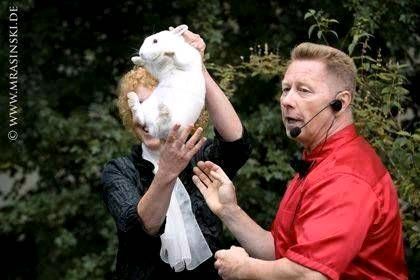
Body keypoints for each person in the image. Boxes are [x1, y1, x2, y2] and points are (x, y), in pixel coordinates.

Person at [192, 42, 408, 279]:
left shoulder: (345, 177)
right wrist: (229, 210)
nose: (287, 100)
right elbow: (280, 252)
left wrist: (245, 268)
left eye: (304, 90)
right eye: (286, 89)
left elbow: (310, 274)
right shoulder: (318, 159)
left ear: (341, 102)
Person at [101, 30, 251, 280]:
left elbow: (238, 145)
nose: (148, 117)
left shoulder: (199, 156)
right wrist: (167, 172)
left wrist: (197, 66)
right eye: (141, 105)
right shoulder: (119, 170)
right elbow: (139, 227)